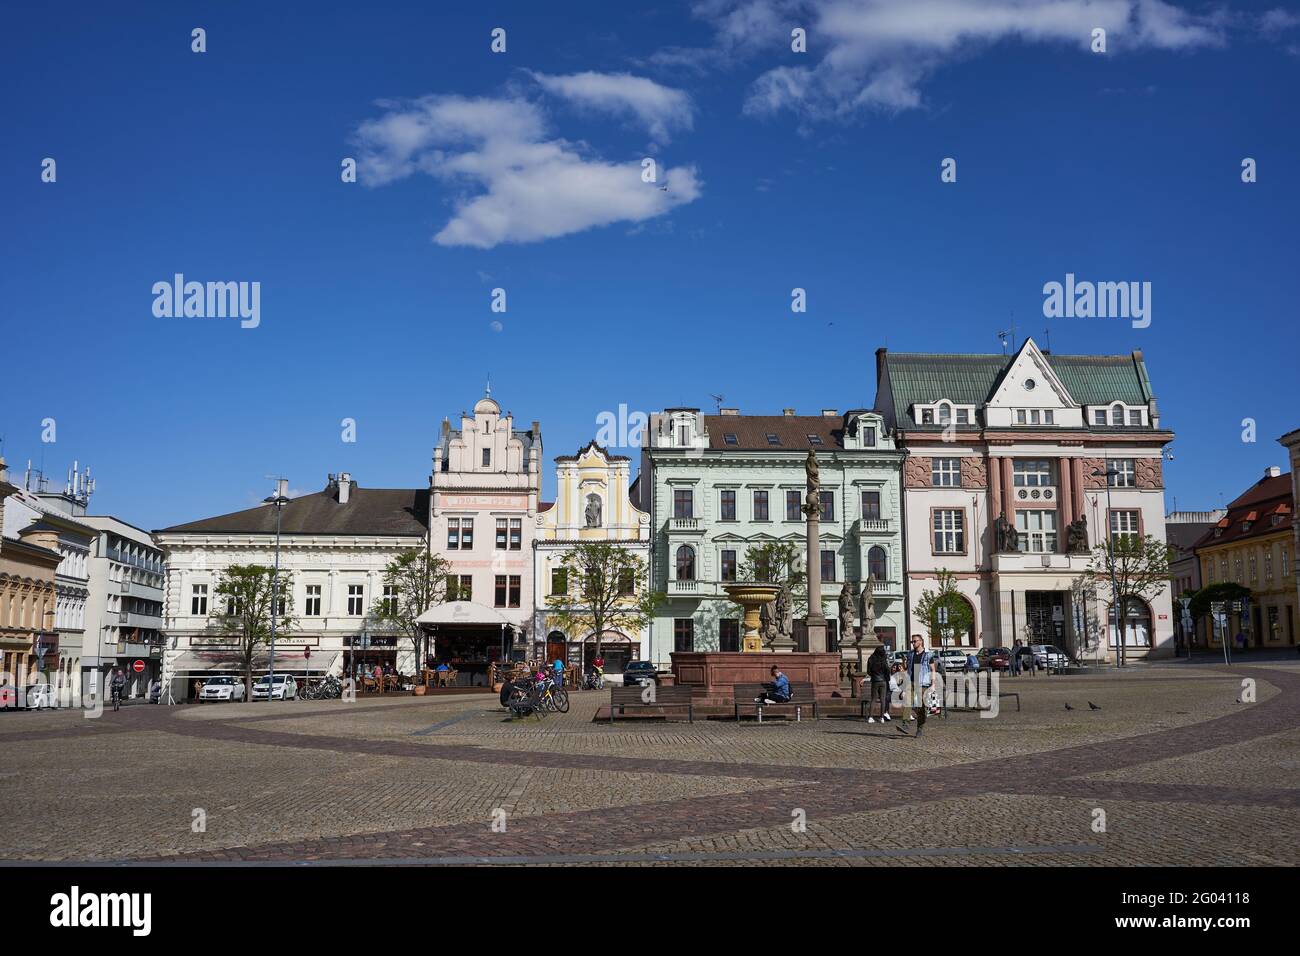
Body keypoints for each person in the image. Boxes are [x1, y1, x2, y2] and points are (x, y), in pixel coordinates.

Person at [896, 634, 936, 737]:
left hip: (923, 683)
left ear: (921, 641)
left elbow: (933, 670)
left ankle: (920, 728)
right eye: (912, 642)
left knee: (921, 707)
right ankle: (905, 724)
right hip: (911, 682)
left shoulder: (928, 655)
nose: (913, 643)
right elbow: (907, 669)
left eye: (915, 641)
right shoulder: (910, 654)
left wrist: (933, 685)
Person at [865, 645, 891, 723]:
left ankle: (870, 717)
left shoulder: (871, 659)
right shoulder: (883, 659)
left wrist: (873, 675)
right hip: (883, 681)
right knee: (883, 699)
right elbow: (887, 670)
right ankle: (882, 718)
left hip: (875, 680)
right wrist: (887, 678)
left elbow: (868, 671)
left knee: (873, 699)